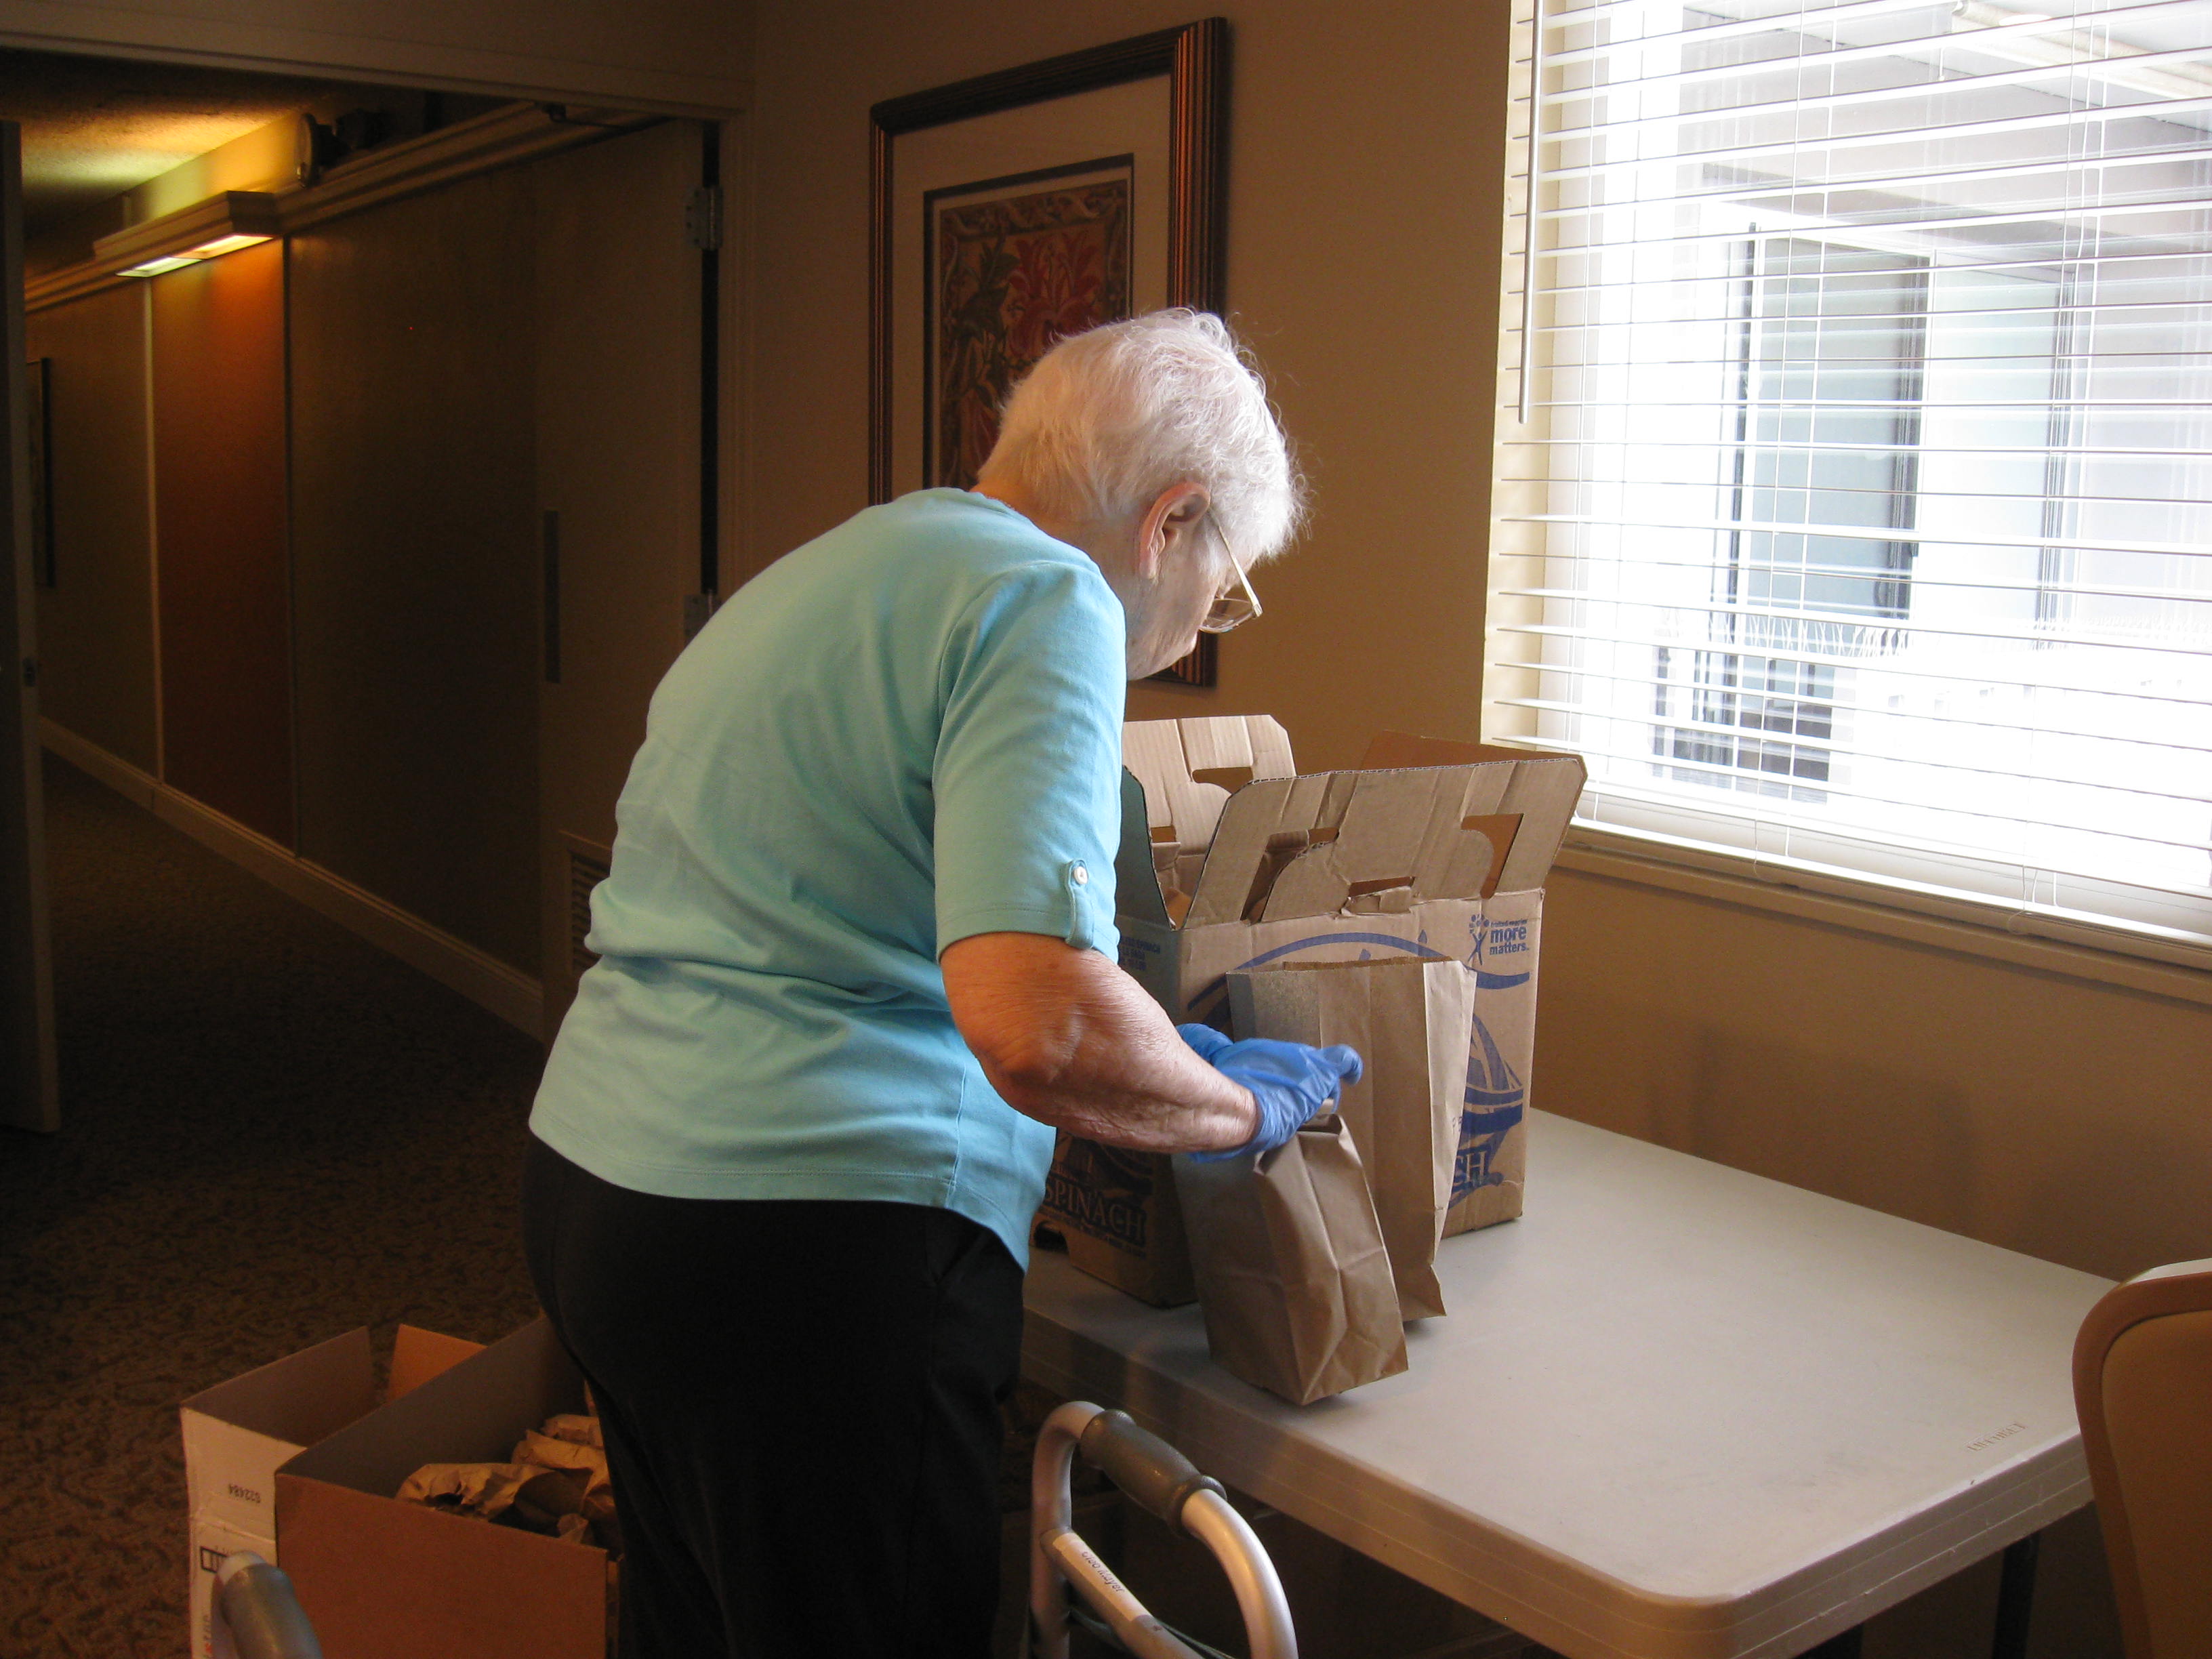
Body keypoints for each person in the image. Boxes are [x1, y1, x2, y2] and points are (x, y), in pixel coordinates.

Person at [522, 309, 1363, 1659]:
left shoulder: (832, 568)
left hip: (602, 1197)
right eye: (1231, 579)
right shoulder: (1047, 601)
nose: (1215, 616)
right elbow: (1037, 1027)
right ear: (1171, 521)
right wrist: (1228, 1108)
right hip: (800, 1254)